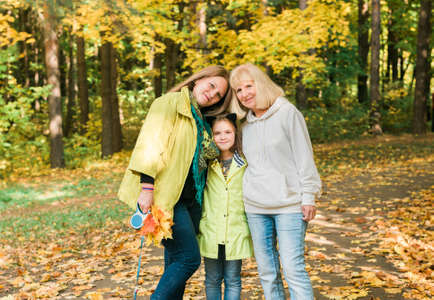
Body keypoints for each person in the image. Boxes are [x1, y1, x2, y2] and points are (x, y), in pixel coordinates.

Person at [118, 65, 232, 300]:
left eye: (219, 94)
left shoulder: (200, 117)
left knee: (174, 260)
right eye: (211, 85)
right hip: (166, 196)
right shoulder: (169, 103)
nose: (212, 94)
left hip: (191, 200)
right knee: (188, 258)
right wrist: (147, 188)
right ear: (199, 79)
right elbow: (150, 145)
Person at [229, 63, 322, 300]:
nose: (245, 93)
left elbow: (304, 157)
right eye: (239, 90)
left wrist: (309, 196)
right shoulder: (244, 124)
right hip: (255, 207)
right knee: (268, 273)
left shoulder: (288, 113)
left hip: (289, 205)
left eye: (249, 86)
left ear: (262, 84)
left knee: (293, 269)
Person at [198, 114, 253, 300]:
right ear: (211, 136)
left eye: (227, 131)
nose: (222, 137)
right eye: (217, 133)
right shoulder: (206, 163)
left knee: (233, 278)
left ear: (235, 133)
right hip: (211, 229)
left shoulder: (245, 163)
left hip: (235, 230)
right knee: (212, 278)